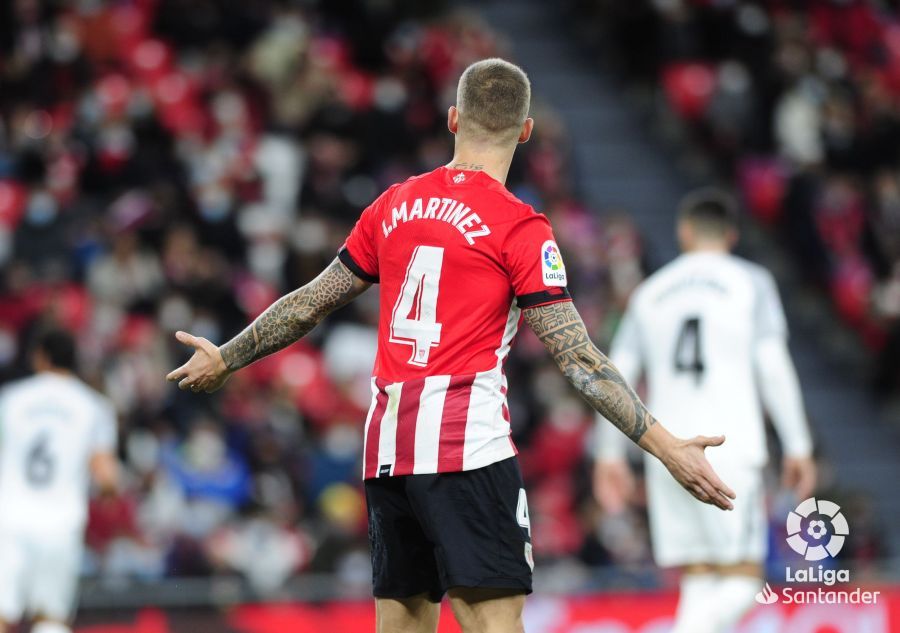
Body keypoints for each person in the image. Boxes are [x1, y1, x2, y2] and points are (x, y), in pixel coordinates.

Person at [167, 58, 735, 633]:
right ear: (527, 130)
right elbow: (577, 357)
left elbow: (309, 303)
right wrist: (666, 447)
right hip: (467, 450)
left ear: (453, 119)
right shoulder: (520, 227)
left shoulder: (392, 206)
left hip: (388, 453)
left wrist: (226, 356)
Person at [593, 189, 816, 633]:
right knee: (745, 580)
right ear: (732, 235)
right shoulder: (750, 281)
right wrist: (799, 445)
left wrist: (609, 455)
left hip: (667, 449)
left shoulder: (650, 292)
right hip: (730, 446)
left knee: (699, 578)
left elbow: (614, 375)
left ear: (684, 232)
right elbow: (772, 366)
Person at [0, 330, 119, 633]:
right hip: (61, 521)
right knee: (51, 618)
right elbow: (107, 478)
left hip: (9, 518)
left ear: (41, 357)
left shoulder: (11, 399)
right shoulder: (94, 406)